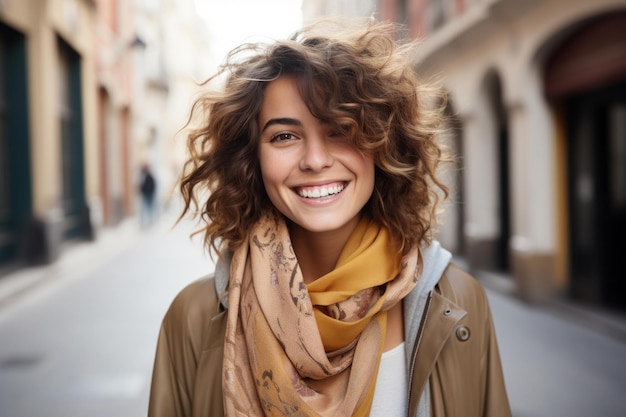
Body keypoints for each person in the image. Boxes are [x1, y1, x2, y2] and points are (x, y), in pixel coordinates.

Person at [148, 17, 512, 417]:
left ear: (383, 143)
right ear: (251, 158)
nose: (316, 160)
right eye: (284, 136)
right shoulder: (194, 317)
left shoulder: (458, 302)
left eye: (340, 128)